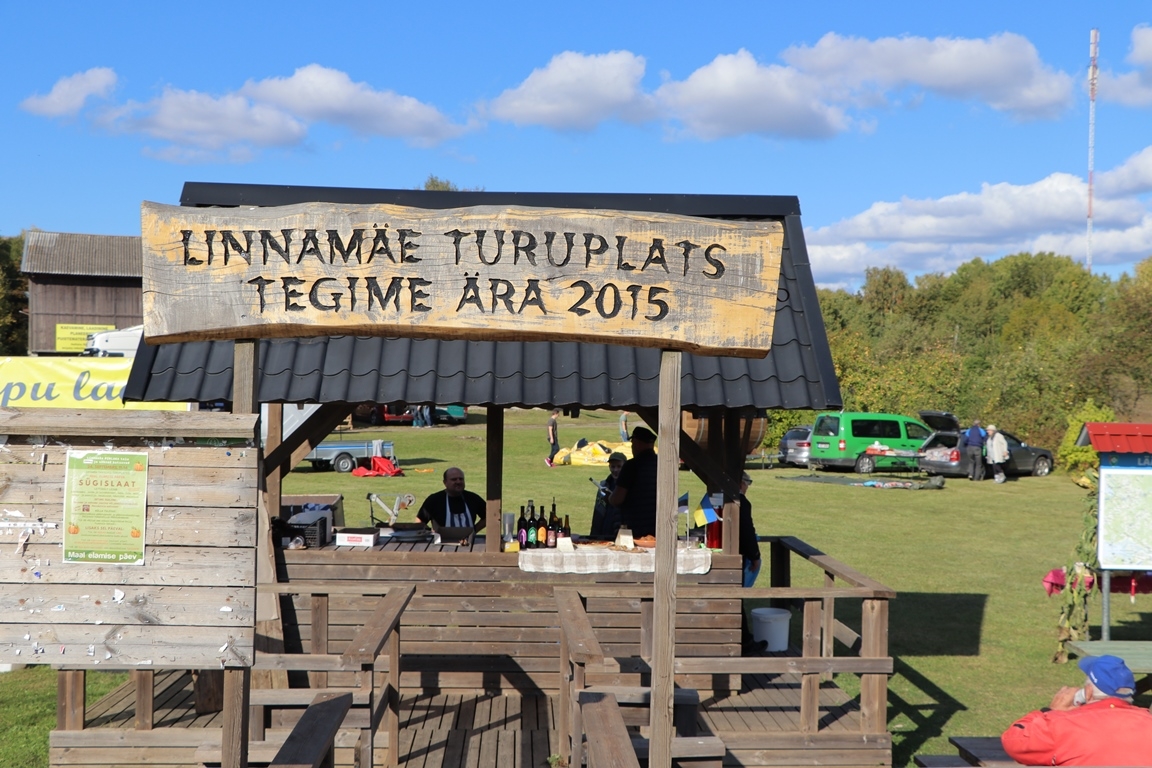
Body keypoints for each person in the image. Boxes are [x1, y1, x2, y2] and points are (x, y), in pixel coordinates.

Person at [1001, 654, 1152, 766]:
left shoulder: (1062, 726)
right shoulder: (1148, 722)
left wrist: (1050, 711)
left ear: (1088, 692)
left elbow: (1013, 741)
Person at [608, 426, 659, 538]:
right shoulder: (661, 463)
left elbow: (617, 499)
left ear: (637, 443)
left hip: (634, 528)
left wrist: (609, 498)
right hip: (659, 526)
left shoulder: (631, 466)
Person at [415, 467, 486, 534]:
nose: (458, 482)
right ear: (445, 482)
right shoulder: (434, 500)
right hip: (441, 542)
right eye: (454, 479)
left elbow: (488, 516)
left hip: (468, 542)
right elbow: (419, 521)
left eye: (461, 479)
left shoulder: (473, 498)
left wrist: (474, 531)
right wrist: (430, 534)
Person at [590, 451, 626, 538]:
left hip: (620, 532)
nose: (615, 470)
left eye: (619, 466)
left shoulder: (628, 486)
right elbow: (597, 514)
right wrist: (593, 536)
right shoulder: (604, 485)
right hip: (604, 531)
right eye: (613, 466)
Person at [738, 471, 761, 588]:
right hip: (739, 554)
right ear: (741, 484)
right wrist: (755, 556)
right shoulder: (742, 502)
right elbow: (747, 530)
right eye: (747, 484)